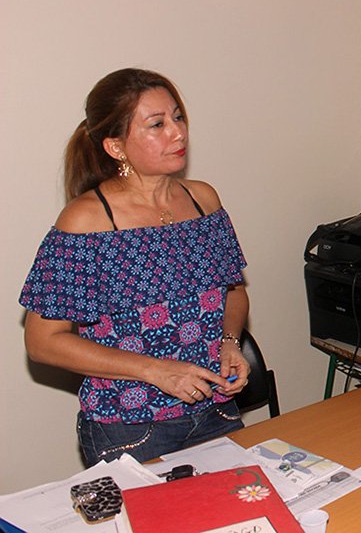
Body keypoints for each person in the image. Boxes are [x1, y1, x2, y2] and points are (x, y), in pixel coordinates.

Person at [20, 68, 251, 467]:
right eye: (157, 125)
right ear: (115, 147)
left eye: (178, 117)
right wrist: (155, 370)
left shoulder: (204, 201)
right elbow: (43, 342)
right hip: (130, 426)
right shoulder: (85, 221)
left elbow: (234, 291)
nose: (178, 133)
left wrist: (229, 342)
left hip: (215, 410)